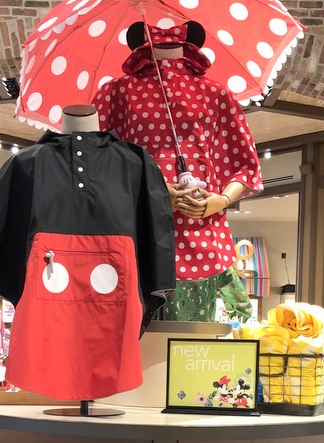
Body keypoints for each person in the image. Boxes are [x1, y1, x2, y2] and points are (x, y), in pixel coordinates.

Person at [93, 21, 263, 322]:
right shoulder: (116, 92)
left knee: (191, 340)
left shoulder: (215, 93)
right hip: (137, 232)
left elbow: (245, 165)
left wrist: (222, 200)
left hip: (201, 233)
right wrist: (152, 194)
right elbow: (97, 167)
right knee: (134, 334)